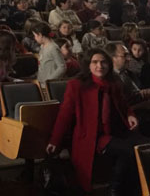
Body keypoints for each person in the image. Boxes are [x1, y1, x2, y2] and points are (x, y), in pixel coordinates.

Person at [47, 49, 147, 195]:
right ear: (88, 65)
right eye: (95, 62)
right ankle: (115, 189)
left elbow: (123, 105)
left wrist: (130, 115)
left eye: (103, 62)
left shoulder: (113, 82)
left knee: (145, 147)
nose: (99, 66)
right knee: (129, 151)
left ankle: (138, 188)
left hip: (117, 131)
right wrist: (55, 141)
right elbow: (65, 115)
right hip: (93, 136)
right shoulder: (76, 85)